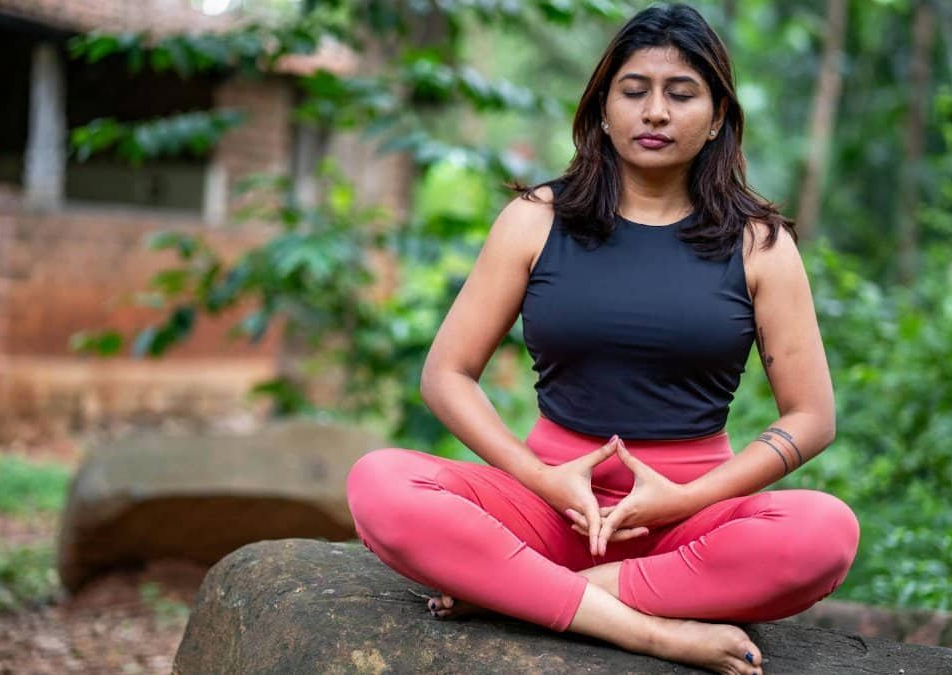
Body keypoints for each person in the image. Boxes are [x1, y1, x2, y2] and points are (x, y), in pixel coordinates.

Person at [345, 4, 859, 674]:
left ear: (717, 120)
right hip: (547, 510)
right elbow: (446, 373)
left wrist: (685, 499)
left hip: (688, 525)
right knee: (380, 484)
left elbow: (812, 417)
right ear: (602, 109)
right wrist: (544, 481)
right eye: (634, 90)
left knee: (824, 533)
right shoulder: (536, 219)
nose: (654, 112)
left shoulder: (759, 244)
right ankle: (650, 631)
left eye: (681, 94)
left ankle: (526, 594)